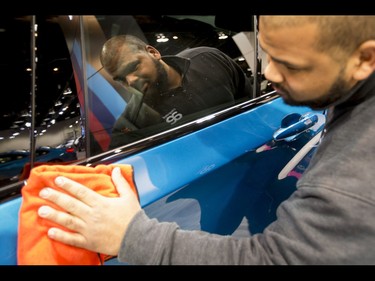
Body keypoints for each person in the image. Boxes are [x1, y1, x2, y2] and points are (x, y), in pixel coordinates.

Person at [36, 16, 375, 264]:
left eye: (289, 64)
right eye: (267, 54)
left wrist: (130, 236)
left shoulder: (351, 179)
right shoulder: (134, 121)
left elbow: (275, 259)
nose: (269, 74)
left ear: (365, 59)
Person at [100, 35, 253, 147]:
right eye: (120, 79)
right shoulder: (133, 122)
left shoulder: (208, 59)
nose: (130, 81)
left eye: (133, 67)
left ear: (153, 53)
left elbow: (252, 102)